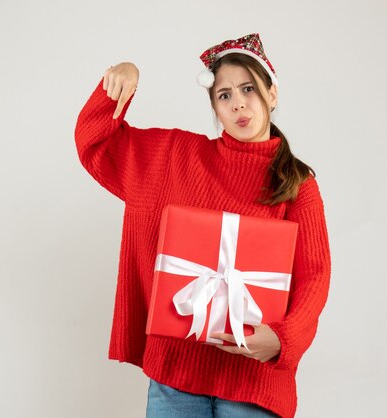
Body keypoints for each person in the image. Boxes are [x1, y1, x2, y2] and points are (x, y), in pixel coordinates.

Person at [74, 33, 331, 418]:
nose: (238, 103)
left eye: (249, 88)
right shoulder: (176, 157)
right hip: (175, 380)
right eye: (224, 95)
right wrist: (120, 84)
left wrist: (282, 339)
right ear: (214, 106)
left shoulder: (297, 183)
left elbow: (315, 275)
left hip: (253, 384)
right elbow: (95, 143)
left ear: (272, 94)